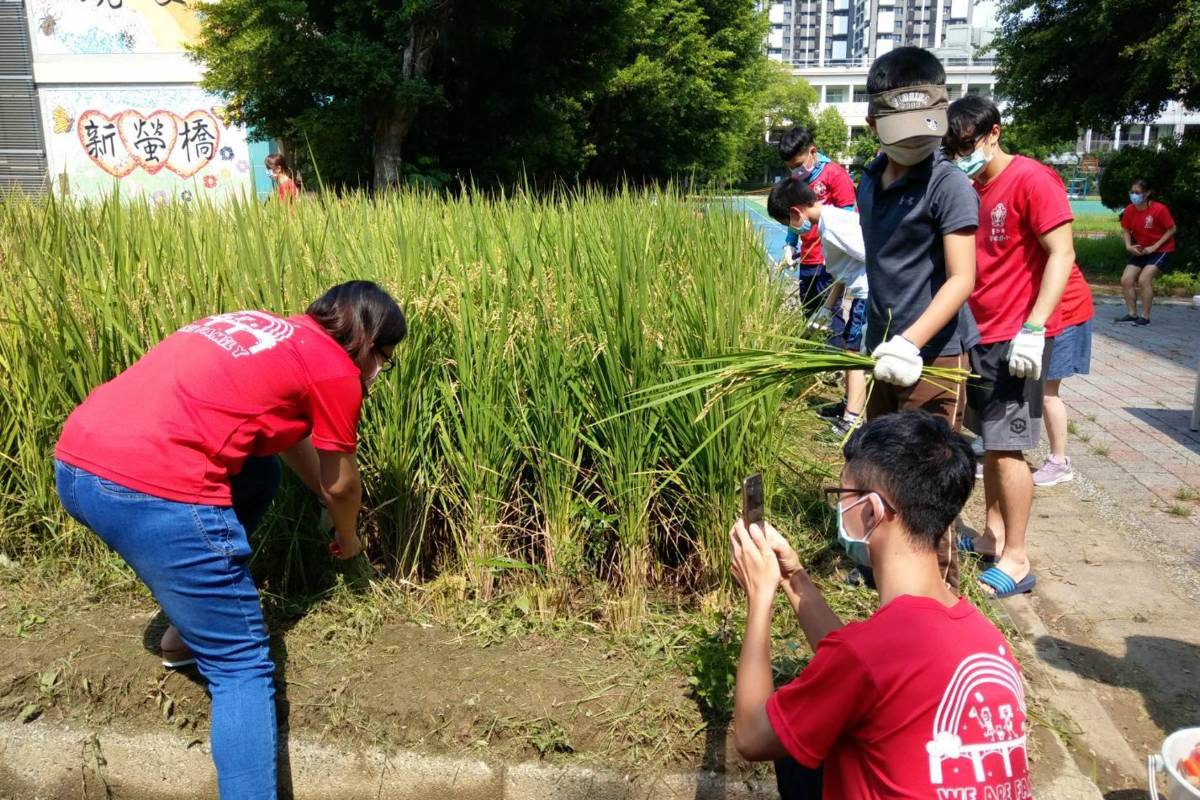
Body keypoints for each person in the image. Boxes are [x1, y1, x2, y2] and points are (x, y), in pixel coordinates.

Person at [54, 281, 407, 799]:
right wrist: (350, 539)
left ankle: (184, 635)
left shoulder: (261, 327)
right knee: (241, 664)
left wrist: (322, 501)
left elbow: (289, 445)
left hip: (78, 468)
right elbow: (343, 483)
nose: (380, 372)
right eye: (385, 360)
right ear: (369, 342)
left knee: (257, 472)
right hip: (158, 490)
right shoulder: (337, 369)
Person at [729, 411, 1031, 799]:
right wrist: (793, 579)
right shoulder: (989, 641)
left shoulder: (867, 654)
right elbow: (874, 672)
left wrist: (759, 598)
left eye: (842, 497)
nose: (839, 509)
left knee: (796, 740)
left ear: (871, 510)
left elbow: (753, 736)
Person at [857, 46, 981, 588]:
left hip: (933, 357)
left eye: (925, 129)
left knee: (929, 484)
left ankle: (941, 592)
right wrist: (881, 345)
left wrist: (911, 343)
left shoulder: (946, 182)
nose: (914, 142)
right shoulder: (867, 181)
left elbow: (961, 278)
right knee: (879, 467)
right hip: (884, 350)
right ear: (873, 123)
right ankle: (882, 570)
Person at [945, 96, 1074, 598]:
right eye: (953, 150)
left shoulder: (1032, 180)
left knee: (1006, 447)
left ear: (994, 133)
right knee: (988, 446)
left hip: (1015, 337)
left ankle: (1017, 557)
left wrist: (1036, 326)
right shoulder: (967, 186)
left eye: (967, 146)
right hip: (978, 330)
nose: (961, 158)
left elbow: (1061, 253)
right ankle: (993, 534)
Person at [768, 176, 868, 437]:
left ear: (795, 212)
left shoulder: (834, 226)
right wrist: (828, 306)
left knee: (852, 353)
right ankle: (850, 406)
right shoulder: (829, 221)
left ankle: (853, 420)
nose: (793, 228)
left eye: (787, 222)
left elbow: (874, 257)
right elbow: (846, 269)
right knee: (851, 348)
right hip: (861, 293)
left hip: (867, 296)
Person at [777, 127, 858, 327]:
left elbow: (848, 221)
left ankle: (834, 356)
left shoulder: (835, 174)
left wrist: (834, 252)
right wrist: (790, 244)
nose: (795, 172)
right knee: (809, 314)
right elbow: (793, 215)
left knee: (830, 318)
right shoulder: (796, 180)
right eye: (790, 168)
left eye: (798, 165)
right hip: (807, 260)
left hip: (829, 262)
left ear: (812, 152)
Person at [1033, 264, 1094, 486]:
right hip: (1037, 313)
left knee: (1047, 391)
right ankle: (1002, 450)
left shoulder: (1049, 236)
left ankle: (1059, 462)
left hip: (1065, 313)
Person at [1118, 178, 1176, 325]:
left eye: (1137, 192)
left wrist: (1154, 247)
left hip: (1161, 249)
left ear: (1147, 193)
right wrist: (1129, 246)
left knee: (1144, 279)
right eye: (1132, 192)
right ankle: (1132, 314)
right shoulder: (1130, 210)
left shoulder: (1159, 209)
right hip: (1141, 250)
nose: (1133, 195)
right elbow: (1125, 229)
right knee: (1126, 280)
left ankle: (1145, 317)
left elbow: (1172, 229)